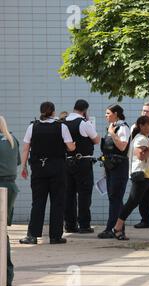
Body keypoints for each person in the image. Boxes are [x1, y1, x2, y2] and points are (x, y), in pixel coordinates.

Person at [20, 102, 75, 244]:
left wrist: (24, 166)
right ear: (53, 112)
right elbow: (70, 147)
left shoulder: (32, 127)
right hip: (58, 169)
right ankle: (55, 236)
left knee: (38, 202)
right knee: (58, 202)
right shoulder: (61, 127)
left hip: (39, 169)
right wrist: (73, 145)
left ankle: (32, 235)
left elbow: (26, 148)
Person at [63, 99, 100, 234]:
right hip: (83, 162)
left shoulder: (63, 122)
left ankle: (70, 224)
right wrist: (88, 121)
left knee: (69, 194)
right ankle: (84, 225)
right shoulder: (84, 123)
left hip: (67, 162)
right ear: (85, 111)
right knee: (84, 194)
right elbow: (96, 140)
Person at [98, 104, 130, 239]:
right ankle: (118, 229)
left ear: (116, 114)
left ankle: (112, 228)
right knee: (114, 198)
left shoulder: (123, 128)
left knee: (115, 198)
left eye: (108, 113)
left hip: (119, 166)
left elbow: (122, 147)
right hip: (110, 166)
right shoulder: (111, 127)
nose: (106, 116)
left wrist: (112, 133)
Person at [0, 115, 20, 286]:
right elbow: (17, 162)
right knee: (2, 232)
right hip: (10, 187)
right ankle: (7, 275)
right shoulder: (12, 139)